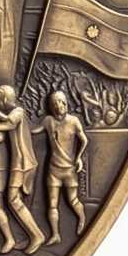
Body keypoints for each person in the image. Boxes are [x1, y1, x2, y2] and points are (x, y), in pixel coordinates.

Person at [0, 76, 45, 253]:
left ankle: (37, 236)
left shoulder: (18, 111)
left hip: (22, 163)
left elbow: (8, 123)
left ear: (4, 99)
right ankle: (29, 235)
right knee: (13, 199)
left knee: (13, 199)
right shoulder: (14, 113)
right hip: (19, 162)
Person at [40, 90, 90, 245]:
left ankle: (82, 218)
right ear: (51, 106)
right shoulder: (48, 120)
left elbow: (84, 140)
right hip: (53, 170)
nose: (58, 105)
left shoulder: (73, 121)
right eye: (55, 103)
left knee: (73, 200)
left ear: (65, 103)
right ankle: (55, 234)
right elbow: (33, 131)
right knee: (52, 204)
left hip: (69, 169)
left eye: (61, 102)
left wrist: (79, 157)